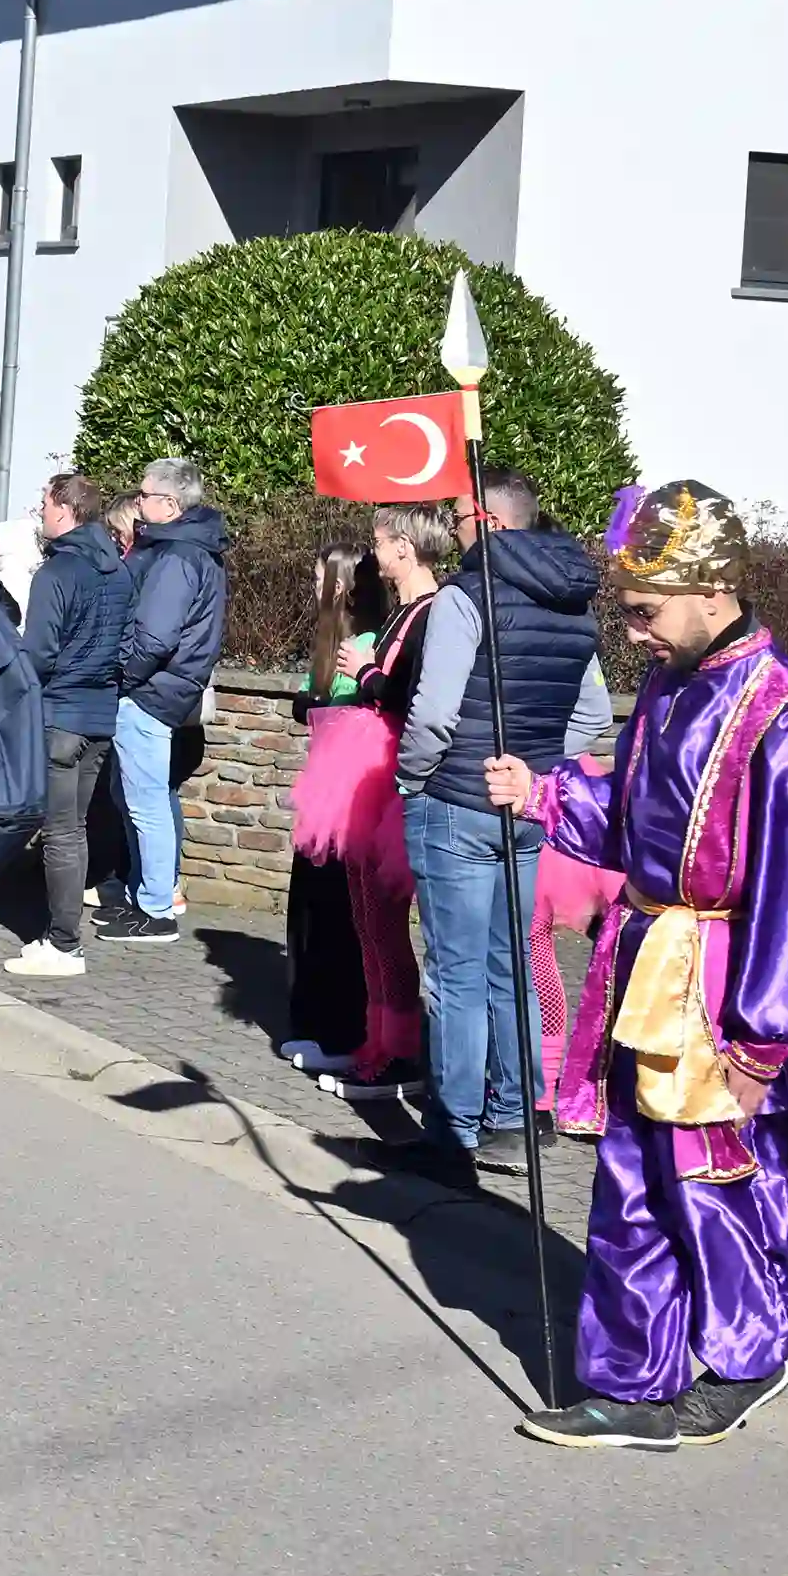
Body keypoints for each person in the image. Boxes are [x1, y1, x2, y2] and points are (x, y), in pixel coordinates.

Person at [487, 480, 788, 1450]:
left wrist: (762, 1041)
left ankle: (747, 1355)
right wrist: (540, 793)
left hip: (721, 987)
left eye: (644, 612)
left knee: (716, 1182)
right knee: (632, 1178)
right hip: (647, 958)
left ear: (710, 590)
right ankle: (629, 1379)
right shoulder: (664, 690)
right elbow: (628, 821)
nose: (634, 634)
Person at [395, 466, 605, 1171]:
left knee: (454, 973)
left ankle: (452, 1132)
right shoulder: (576, 602)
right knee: (508, 961)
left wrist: (413, 775)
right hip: (523, 806)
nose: (452, 533)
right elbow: (593, 715)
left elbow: (431, 711)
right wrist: (538, 769)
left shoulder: (466, 595)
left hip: (454, 800)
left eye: (458, 519)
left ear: (488, 521)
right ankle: (516, 1117)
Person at [276, 534, 422, 1088]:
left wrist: (342, 691)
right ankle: (337, 1028)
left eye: (321, 577)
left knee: (356, 920)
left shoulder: (368, 643)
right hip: (331, 793)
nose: (314, 587)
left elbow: (370, 701)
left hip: (358, 795)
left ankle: (362, 1036)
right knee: (330, 913)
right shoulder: (342, 644)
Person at [108, 458, 229, 948]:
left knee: (146, 803)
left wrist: (121, 677)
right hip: (162, 689)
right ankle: (147, 898)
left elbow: (154, 636)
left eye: (143, 496)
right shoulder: (192, 549)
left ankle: (156, 908)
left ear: (171, 505)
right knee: (140, 799)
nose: (137, 504)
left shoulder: (178, 556)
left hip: (151, 693)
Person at [12, 470, 124, 981]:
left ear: (65, 508)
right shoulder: (120, 571)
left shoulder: (56, 574)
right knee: (74, 830)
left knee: (59, 833)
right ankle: (61, 937)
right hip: (100, 716)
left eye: (44, 502)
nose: (40, 511)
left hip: (60, 715)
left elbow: (38, 652)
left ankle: (63, 944)